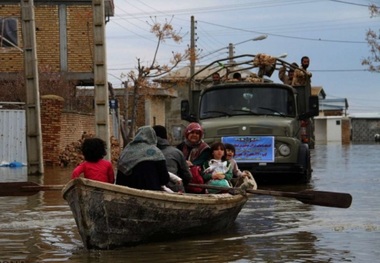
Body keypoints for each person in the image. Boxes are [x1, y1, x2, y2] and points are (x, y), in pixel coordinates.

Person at [116, 126, 169, 191]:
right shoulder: (156, 153)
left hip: (128, 194)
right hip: (151, 194)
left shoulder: (126, 151)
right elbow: (164, 179)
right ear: (153, 136)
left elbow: (120, 176)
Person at [153, 125, 192, 193]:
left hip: (153, 189)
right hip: (175, 190)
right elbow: (187, 176)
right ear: (166, 137)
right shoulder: (176, 152)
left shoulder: (146, 153)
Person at [177, 122, 211, 193]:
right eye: (192, 132)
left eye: (197, 133)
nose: (194, 135)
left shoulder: (205, 148)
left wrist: (191, 164)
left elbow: (202, 161)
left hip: (199, 178)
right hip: (182, 176)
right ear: (187, 134)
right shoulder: (181, 146)